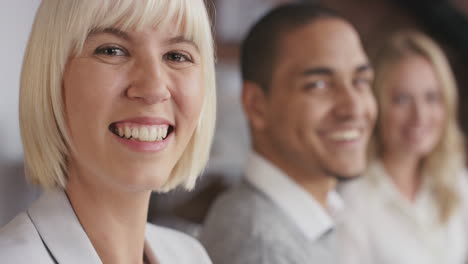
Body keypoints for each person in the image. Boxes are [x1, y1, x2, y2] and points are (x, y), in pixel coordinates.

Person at [0, 0, 216, 263]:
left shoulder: (191, 255)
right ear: (53, 78)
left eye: (177, 56)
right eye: (112, 50)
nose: (154, 89)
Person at [199, 3, 377, 264]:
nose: (353, 108)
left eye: (360, 81)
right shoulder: (262, 247)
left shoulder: (311, 215)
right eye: (318, 85)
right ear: (256, 105)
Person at [339, 30, 468, 264]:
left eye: (431, 97)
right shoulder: (353, 200)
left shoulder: (457, 183)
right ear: (375, 104)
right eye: (402, 99)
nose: (420, 116)